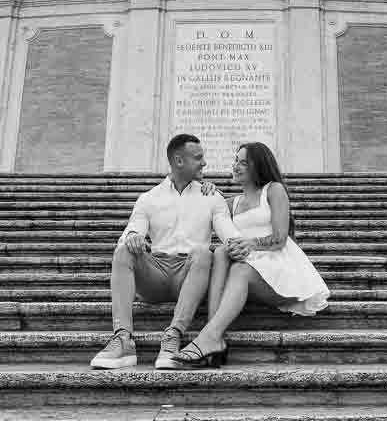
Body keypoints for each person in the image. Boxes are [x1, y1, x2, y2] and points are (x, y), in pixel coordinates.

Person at [90, 133, 242, 370]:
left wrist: (239, 244)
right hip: (156, 275)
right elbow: (132, 229)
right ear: (179, 161)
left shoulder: (211, 196)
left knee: (204, 252)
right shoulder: (148, 198)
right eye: (198, 158)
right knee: (123, 252)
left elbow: (228, 232)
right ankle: (122, 339)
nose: (204, 163)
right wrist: (133, 238)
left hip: (191, 274)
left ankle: (173, 336)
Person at [172, 141, 329, 368]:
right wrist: (206, 190)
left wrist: (250, 242)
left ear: (259, 166)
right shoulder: (231, 203)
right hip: (250, 270)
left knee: (240, 269)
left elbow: (280, 238)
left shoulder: (273, 190)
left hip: (280, 270)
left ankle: (209, 337)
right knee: (221, 252)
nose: (236, 166)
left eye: (243, 162)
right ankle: (213, 338)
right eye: (236, 160)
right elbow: (193, 209)